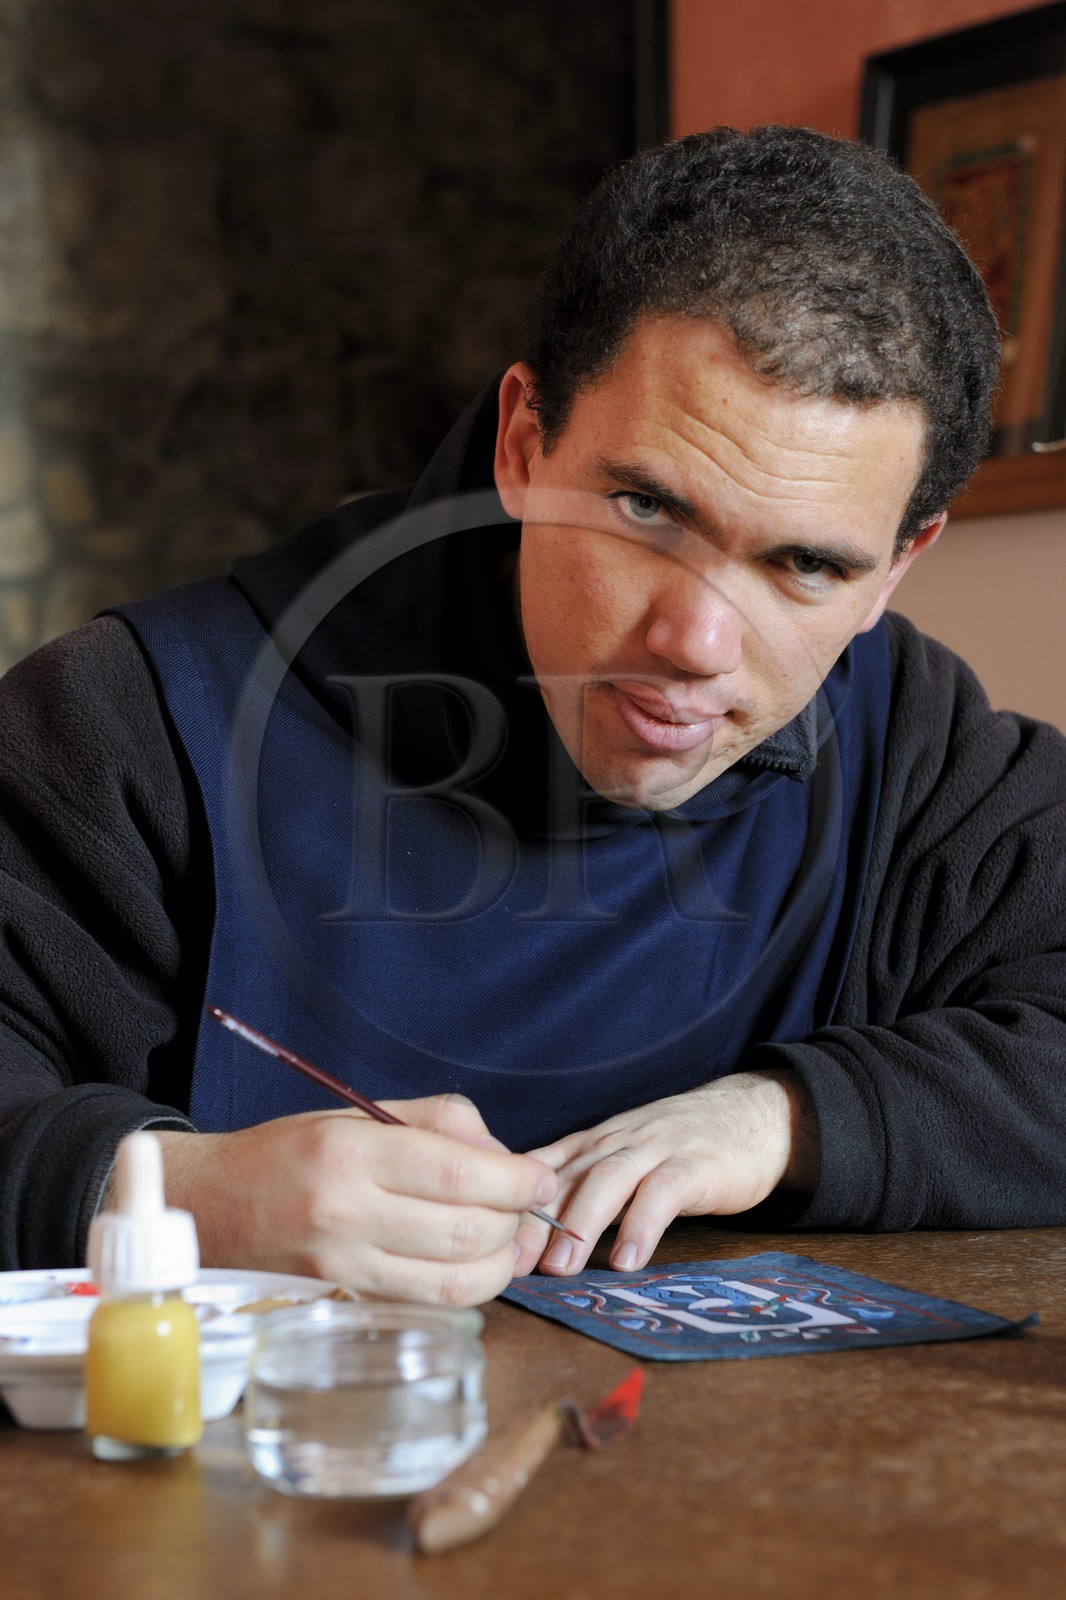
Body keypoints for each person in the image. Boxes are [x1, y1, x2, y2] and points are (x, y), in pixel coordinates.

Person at [2, 125, 1064, 1305]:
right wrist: (178, 1198)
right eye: (646, 508)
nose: (697, 643)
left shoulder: (915, 751)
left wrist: (790, 1117)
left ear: (895, 569)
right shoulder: (126, 725)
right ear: (522, 442)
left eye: (806, 565)